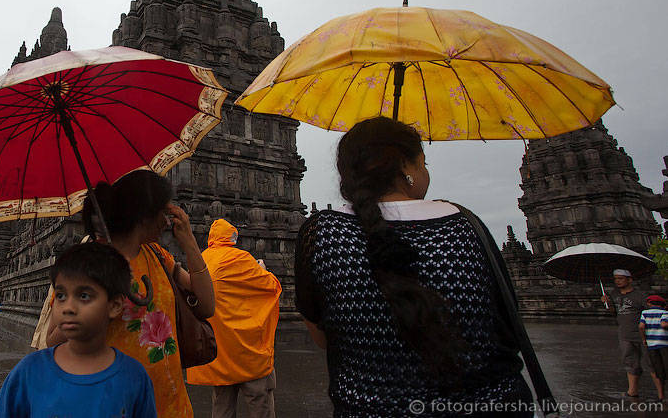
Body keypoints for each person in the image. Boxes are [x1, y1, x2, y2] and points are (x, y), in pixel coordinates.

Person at [294, 116, 533, 417]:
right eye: (424, 162)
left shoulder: (322, 233)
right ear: (406, 167)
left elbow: (322, 337)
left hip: (370, 409)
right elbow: (506, 327)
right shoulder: (466, 224)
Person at [45, 169, 215, 418]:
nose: (167, 221)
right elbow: (51, 341)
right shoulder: (87, 266)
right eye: (162, 211)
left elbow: (207, 305)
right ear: (142, 215)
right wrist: (97, 298)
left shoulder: (157, 255)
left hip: (171, 405)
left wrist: (188, 240)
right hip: (115, 405)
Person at [0, 242, 157, 418]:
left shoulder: (134, 377)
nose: (68, 308)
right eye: (61, 296)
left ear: (115, 305)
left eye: (84, 296)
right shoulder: (29, 371)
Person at [186, 218, 282, 418]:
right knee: (259, 404)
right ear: (232, 237)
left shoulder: (203, 261)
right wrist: (262, 270)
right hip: (249, 350)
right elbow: (271, 287)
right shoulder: (241, 259)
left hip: (220, 352)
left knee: (222, 407)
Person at [603, 268, 655, 397]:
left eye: (620, 278)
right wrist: (607, 304)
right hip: (625, 335)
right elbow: (614, 312)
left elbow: (651, 312)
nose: (617, 281)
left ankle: (661, 393)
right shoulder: (615, 295)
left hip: (642, 335)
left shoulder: (639, 296)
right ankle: (632, 391)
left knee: (652, 363)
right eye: (615, 279)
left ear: (629, 279)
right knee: (630, 363)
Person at [639, 294, 668, 401]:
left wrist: (644, 339)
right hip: (664, 344)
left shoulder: (645, 313)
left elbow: (641, 327)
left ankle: (661, 395)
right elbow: (664, 324)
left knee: (658, 369)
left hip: (651, 344)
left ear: (649, 304)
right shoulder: (664, 313)